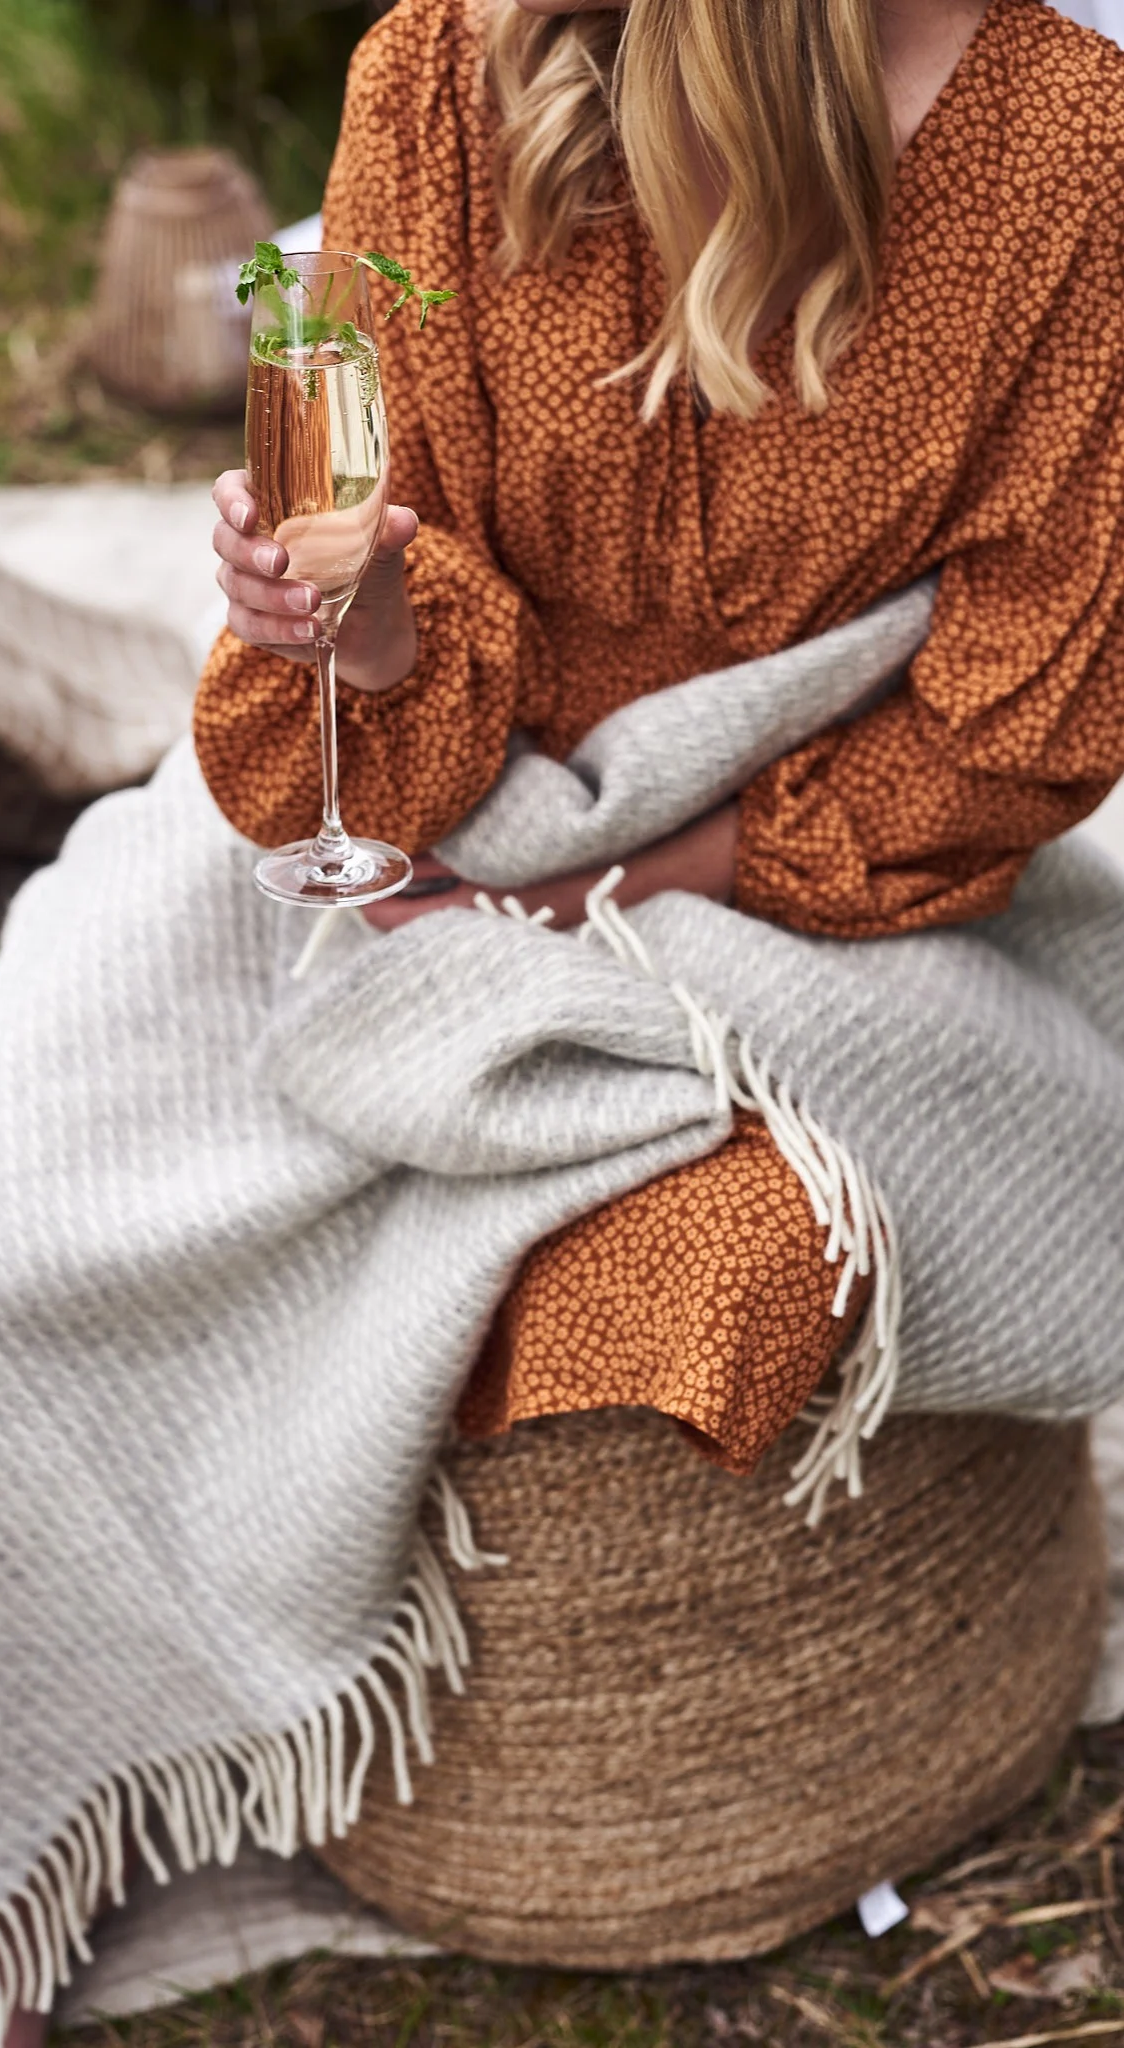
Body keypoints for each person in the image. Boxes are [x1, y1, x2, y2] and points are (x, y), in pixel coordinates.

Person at [196, 0, 1124, 1475]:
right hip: (425, 820)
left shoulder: (1065, 148)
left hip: (842, 883)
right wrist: (361, 628)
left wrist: (598, 894)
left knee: (689, 1289)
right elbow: (370, 561)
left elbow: (1026, 712)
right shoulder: (438, 74)